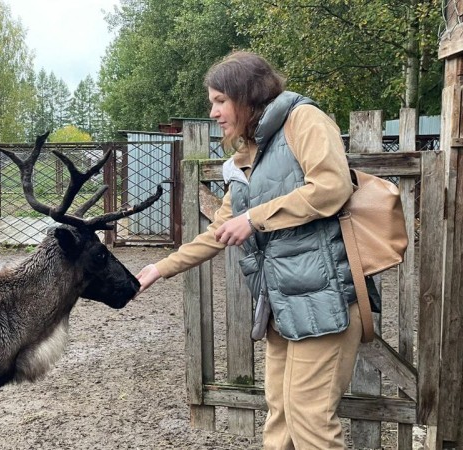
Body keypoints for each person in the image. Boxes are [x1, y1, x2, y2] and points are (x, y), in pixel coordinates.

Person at [135, 51, 364, 449]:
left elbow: (331, 186)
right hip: (281, 302)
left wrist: (255, 217)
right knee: (279, 415)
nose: (214, 112)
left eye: (220, 100)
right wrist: (161, 267)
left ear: (246, 95)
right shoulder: (247, 155)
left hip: (326, 296)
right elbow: (220, 231)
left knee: (310, 419)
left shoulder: (303, 120)